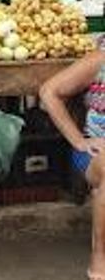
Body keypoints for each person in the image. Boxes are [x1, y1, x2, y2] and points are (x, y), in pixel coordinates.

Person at [41, 48, 105, 280]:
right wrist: (79, 140)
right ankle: (100, 256)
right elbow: (49, 92)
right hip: (95, 154)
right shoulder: (101, 59)